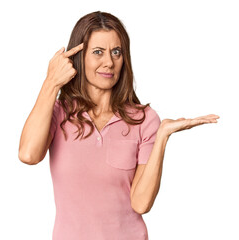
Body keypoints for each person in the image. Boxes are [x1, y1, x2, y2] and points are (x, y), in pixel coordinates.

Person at [18, 11, 220, 240]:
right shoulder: (59, 112)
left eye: (116, 52)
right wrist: (51, 82)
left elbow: (141, 203)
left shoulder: (145, 119)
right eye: (98, 52)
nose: (109, 62)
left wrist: (163, 135)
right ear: (79, 58)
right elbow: (28, 155)